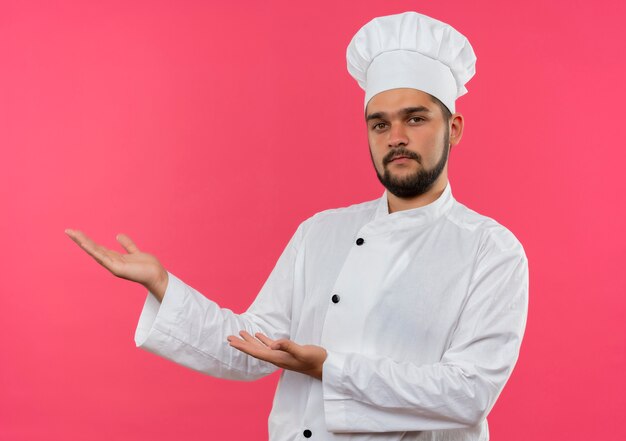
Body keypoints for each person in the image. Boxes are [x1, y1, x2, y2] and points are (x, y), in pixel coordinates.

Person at [66, 11, 528, 441]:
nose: (397, 138)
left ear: (455, 128)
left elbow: (467, 394)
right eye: (379, 124)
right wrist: (164, 285)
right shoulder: (321, 233)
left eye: (416, 118)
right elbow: (252, 347)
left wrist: (329, 368)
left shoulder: (491, 250)